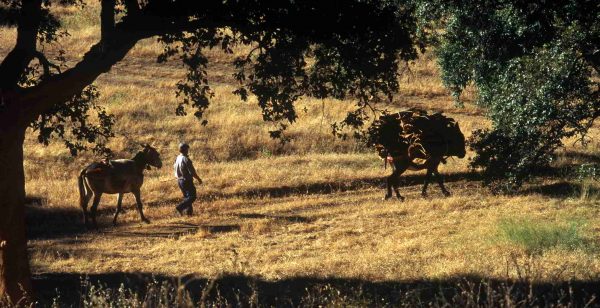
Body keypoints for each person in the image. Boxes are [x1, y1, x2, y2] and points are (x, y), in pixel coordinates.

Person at [173, 143, 202, 216]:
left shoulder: (177, 158)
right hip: (186, 181)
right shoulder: (186, 159)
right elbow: (192, 172)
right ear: (185, 150)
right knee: (192, 197)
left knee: (187, 198)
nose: (188, 151)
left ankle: (189, 214)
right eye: (187, 149)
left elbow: (174, 168)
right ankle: (179, 207)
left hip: (179, 181)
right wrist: (198, 179)